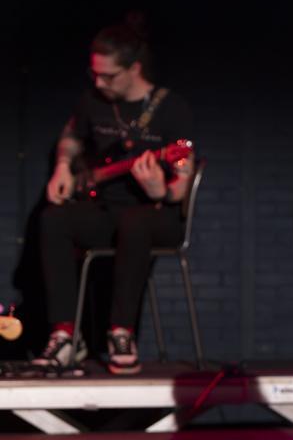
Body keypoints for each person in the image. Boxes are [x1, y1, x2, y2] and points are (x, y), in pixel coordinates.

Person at [32, 19, 194, 374]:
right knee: (53, 219)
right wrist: (62, 167)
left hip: (157, 214)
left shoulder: (171, 108)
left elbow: (182, 170)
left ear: (134, 68)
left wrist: (162, 189)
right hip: (106, 210)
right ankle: (65, 336)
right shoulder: (93, 102)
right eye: (94, 75)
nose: (99, 83)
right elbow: (71, 136)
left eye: (108, 76)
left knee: (135, 222)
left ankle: (121, 332)